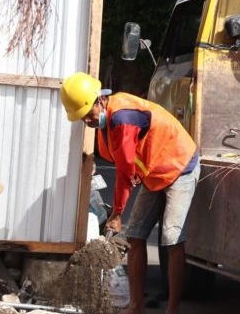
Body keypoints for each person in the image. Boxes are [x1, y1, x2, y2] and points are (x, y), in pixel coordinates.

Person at [60, 72, 199, 314]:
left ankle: (173, 309)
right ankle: (136, 306)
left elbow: (124, 172)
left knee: (171, 237)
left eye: (88, 114)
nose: (87, 121)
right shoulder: (107, 121)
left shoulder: (123, 118)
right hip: (154, 171)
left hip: (179, 165)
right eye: (81, 118)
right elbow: (126, 162)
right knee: (135, 235)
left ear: (99, 100)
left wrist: (117, 213)